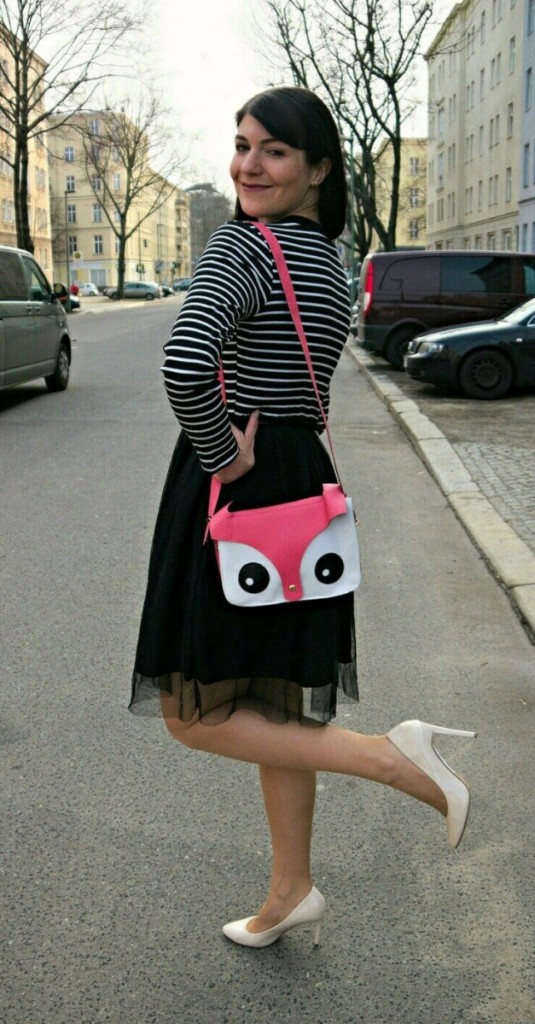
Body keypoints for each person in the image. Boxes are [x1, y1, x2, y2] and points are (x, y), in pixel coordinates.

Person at [129, 86, 475, 948]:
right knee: (277, 706)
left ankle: (391, 757)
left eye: (273, 151)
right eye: (241, 144)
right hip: (300, 478)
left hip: (239, 480)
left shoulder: (239, 246)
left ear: (317, 166)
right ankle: (290, 888)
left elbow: (184, 363)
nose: (247, 164)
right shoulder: (330, 255)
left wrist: (219, 454)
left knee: (191, 712)